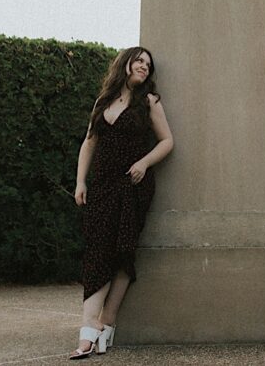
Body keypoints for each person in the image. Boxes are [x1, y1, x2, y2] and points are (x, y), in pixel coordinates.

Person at [69, 47, 174, 359]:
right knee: (99, 250)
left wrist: (143, 163)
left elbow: (168, 140)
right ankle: (94, 327)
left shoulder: (150, 101)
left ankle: (100, 326)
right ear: (125, 63)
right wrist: (80, 181)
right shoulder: (103, 101)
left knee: (122, 251)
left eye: (148, 65)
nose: (143, 67)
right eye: (139, 61)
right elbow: (89, 143)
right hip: (101, 185)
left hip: (133, 185)